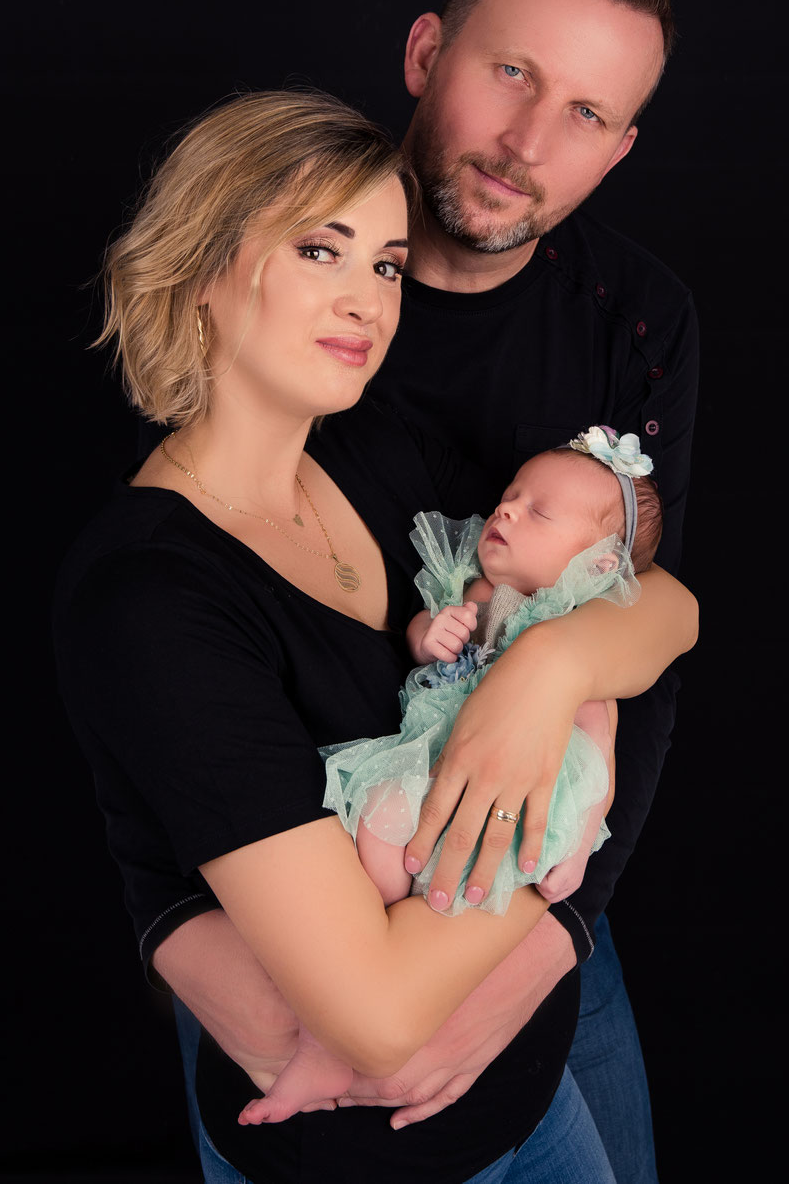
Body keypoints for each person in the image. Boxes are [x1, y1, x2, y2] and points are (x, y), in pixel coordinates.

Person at [54, 89, 697, 1184]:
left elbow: (664, 604)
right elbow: (383, 1021)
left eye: (388, 265)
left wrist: (550, 666)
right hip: (368, 1152)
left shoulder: (378, 450)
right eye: (321, 250)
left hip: (529, 1096)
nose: (367, 302)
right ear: (204, 264)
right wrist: (558, 847)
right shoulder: (149, 596)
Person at [240, 429, 662, 1127]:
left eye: (538, 513)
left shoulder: (579, 627)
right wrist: (429, 633)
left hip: (520, 797)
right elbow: (422, 637)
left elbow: (600, 744)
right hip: (432, 761)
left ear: (599, 562)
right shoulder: (469, 584)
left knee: (451, 909)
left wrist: (584, 838)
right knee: (375, 827)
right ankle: (350, 1000)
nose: (507, 512)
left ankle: (363, 1022)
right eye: (509, 497)